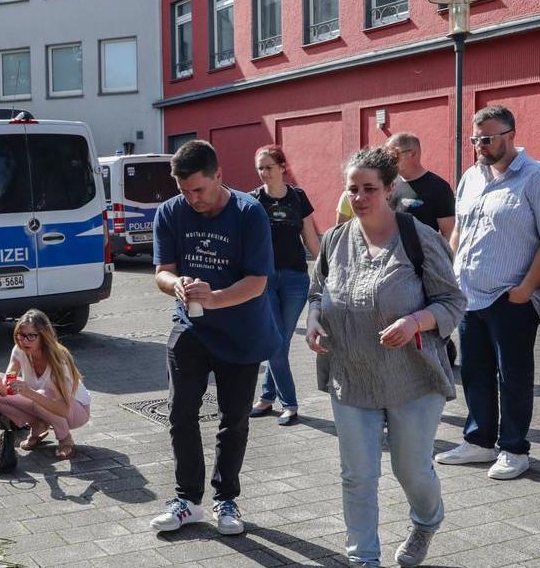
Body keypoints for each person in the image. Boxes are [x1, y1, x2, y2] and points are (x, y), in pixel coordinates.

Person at [307, 147, 466, 568]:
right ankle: (363, 558)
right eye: (352, 189)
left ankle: (426, 520)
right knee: (357, 476)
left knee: (410, 470)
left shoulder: (419, 239)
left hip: (412, 378)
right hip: (351, 374)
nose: (359, 198)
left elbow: (452, 301)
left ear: (390, 189)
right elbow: (318, 291)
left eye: (369, 189)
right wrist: (314, 321)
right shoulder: (336, 240)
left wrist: (416, 321)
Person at [150, 140, 277, 536]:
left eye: (198, 190)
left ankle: (226, 500)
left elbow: (257, 282)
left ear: (219, 176)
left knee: (233, 420)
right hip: (190, 327)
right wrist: (177, 286)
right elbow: (161, 271)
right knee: (180, 414)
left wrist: (216, 297)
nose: (191, 199)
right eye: (183, 191)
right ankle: (187, 500)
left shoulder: (249, 213)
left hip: (241, 333)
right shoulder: (170, 212)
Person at [437, 105, 540, 481]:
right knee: (474, 372)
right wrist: (453, 274)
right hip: (470, 294)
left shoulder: (536, 177)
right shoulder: (471, 176)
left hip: (510, 297)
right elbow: (460, 230)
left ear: (511, 134)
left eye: (488, 138)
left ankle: (514, 449)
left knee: (513, 376)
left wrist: (527, 289)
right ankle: (480, 440)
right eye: (475, 139)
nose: (480, 145)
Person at [249, 145, 319, 426]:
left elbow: (311, 239)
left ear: (282, 167)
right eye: (260, 168)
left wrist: (327, 272)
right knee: (276, 343)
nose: (264, 172)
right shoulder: (253, 201)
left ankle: (266, 397)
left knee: (281, 341)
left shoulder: (298, 197)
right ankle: (289, 403)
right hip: (263, 280)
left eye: (268, 166)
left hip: (295, 280)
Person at [0, 310, 91, 458]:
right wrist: (1, 388)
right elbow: (10, 385)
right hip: (40, 400)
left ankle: (65, 439)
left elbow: (64, 409)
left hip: (75, 411)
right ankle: (37, 425)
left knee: (41, 395)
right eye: (21, 335)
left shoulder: (59, 360)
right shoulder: (19, 350)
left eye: (31, 336)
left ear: (44, 337)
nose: (24, 341)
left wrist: (30, 393)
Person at [385, 133, 456, 240]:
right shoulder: (389, 183)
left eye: (393, 154)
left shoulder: (438, 187)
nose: (389, 160)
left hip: (422, 255)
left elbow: (450, 233)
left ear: (412, 154)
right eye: (386, 155)